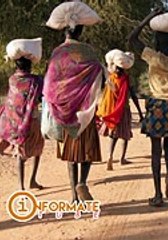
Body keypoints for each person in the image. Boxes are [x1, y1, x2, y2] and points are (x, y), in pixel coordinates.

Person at [43, 1, 103, 202]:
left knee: (70, 155)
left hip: (65, 111)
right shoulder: (88, 51)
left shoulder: (57, 53)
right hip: (84, 111)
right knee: (86, 151)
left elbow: (50, 82)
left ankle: (73, 196)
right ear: (81, 30)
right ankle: (82, 183)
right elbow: (98, 75)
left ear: (64, 32)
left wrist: (56, 103)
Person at [129, 9, 168, 207]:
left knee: (155, 151)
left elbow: (132, 38)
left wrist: (148, 17)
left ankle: (158, 194)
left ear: (156, 42)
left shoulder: (152, 57)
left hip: (157, 106)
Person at [0, 38, 44, 190]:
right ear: (30, 65)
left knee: (21, 153)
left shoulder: (12, 79)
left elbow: (12, 101)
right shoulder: (37, 81)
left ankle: (21, 186)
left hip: (15, 122)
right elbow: (41, 97)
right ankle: (32, 180)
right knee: (38, 149)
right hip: (32, 121)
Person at [97, 49, 143, 171]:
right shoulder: (126, 79)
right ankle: (122, 158)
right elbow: (133, 95)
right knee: (125, 134)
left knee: (113, 135)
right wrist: (139, 112)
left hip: (112, 110)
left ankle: (110, 156)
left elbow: (105, 94)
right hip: (124, 110)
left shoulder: (111, 78)